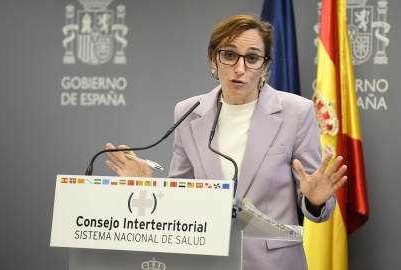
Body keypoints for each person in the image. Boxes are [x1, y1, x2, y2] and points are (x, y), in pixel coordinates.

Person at [105, 14, 347, 270]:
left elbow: (316, 200)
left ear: (266, 67)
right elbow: (180, 198)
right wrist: (146, 186)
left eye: (252, 58)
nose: (240, 69)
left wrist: (315, 200)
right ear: (214, 59)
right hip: (209, 260)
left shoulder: (296, 112)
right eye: (229, 55)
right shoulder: (188, 112)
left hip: (275, 263)